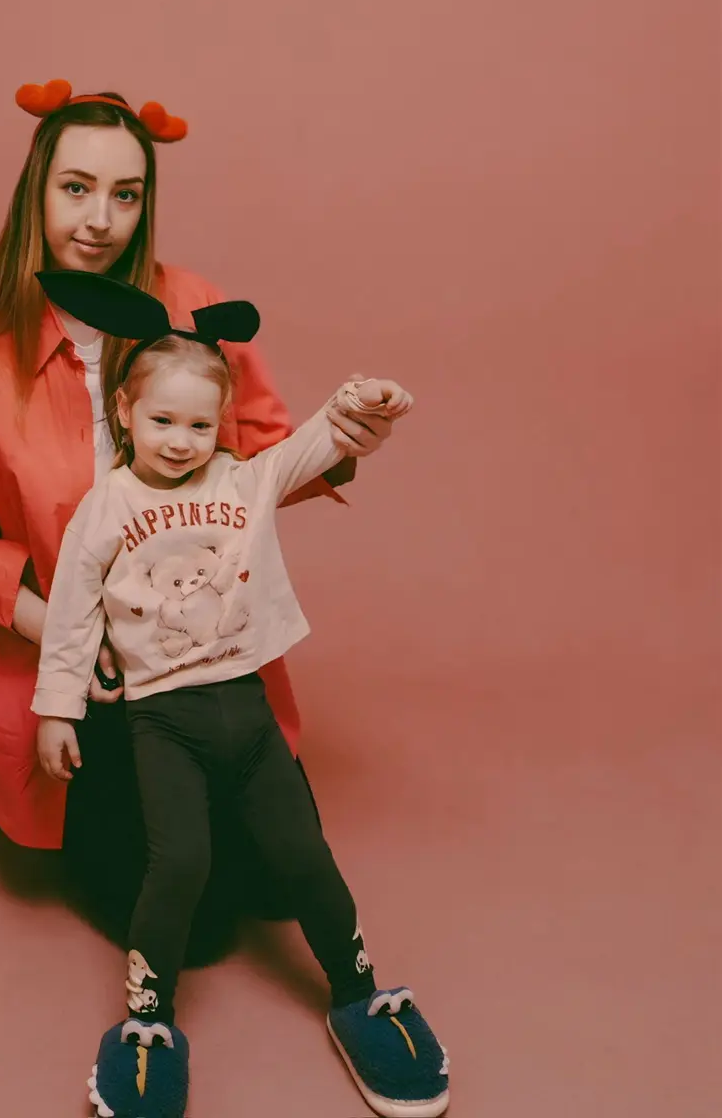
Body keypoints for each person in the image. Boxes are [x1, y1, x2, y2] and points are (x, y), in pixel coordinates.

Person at [0, 82, 400, 951]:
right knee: (197, 935)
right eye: (75, 188)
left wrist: (344, 443)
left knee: (277, 887)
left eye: (125, 194)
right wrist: (55, 628)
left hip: (198, 654)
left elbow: (262, 456)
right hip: (87, 673)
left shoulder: (195, 307)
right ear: (36, 192)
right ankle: (7, 770)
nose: (99, 219)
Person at [32, 268, 449, 1118]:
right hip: (162, 722)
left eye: (198, 423)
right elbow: (71, 615)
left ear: (219, 422)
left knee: (305, 856)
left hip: (247, 712)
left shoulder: (242, 481)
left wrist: (360, 401)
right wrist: (56, 707)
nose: (180, 441)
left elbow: (316, 444)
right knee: (179, 862)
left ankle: (357, 992)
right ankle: (147, 1021)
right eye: (162, 421)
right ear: (124, 412)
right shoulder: (104, 509)